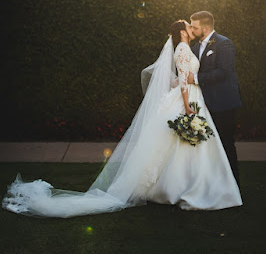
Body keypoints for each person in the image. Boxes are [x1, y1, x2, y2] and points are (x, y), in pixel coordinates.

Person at [2, 20, 242, 218]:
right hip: (187, 101)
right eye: (189, 26)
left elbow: (181, 77)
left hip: (192, 97)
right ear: (182, 32)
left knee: (185, 147)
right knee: (182, 145)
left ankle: (192, 184)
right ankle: (183, 188)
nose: (192, 28)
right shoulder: (181, 49)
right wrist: (188, 107)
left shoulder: (185, 49)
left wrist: (185, 89)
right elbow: (183, 81)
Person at [189, 11, 242, 187]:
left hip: (223, 103)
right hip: (204, 104)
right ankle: (213, 183)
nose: (192, 29)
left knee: (226, 143)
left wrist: (195, 79)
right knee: (208, 145)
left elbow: (223, 71)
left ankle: (232, 185)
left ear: (205, 28)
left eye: (194, 27)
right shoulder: (195, 48)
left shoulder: (224, 44)